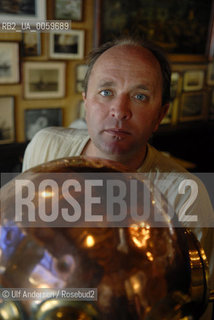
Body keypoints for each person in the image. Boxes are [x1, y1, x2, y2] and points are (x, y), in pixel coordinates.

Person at [22, 37, 214, 319]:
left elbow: (194, 303)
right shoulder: (45, 148)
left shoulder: (185, 195)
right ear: (85, 101)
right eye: (106, 91)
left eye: (139, 96)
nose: (120, 111)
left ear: (160, 115)